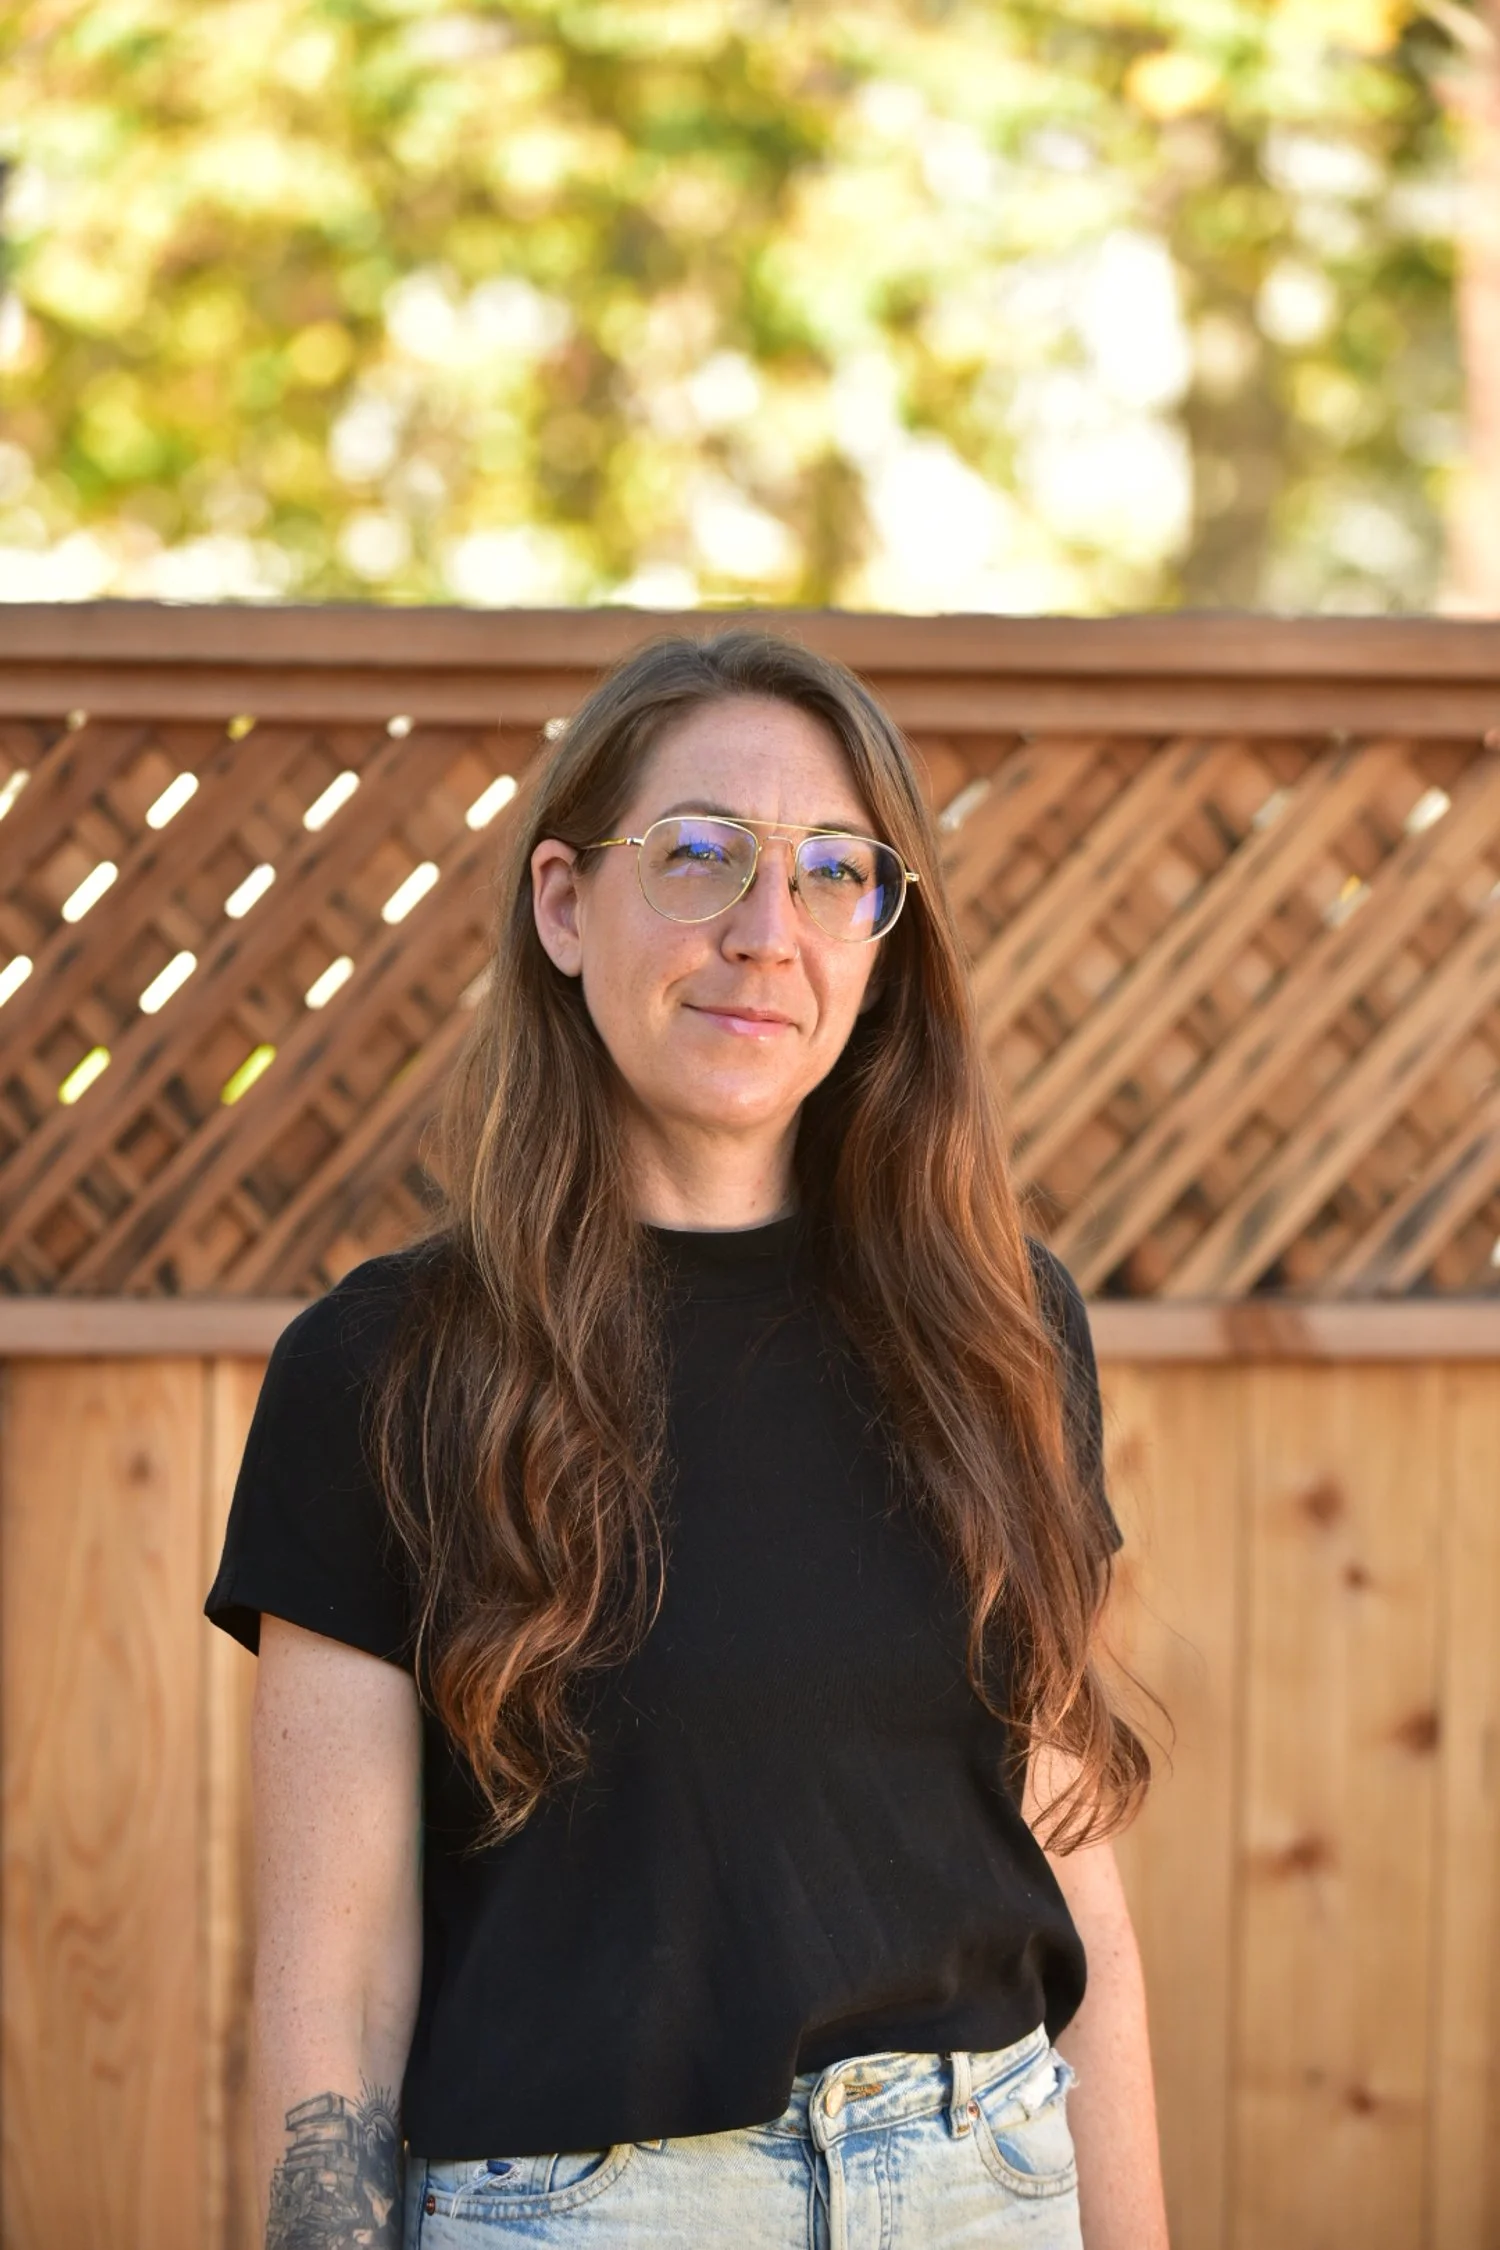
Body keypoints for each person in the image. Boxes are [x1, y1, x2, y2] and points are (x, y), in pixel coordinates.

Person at [206, 628, 1170, 2250]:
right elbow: (332, 1992)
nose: (764, 934)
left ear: (883, 938)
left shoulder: (1004, 1329)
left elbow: (1079, 1894)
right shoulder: (384, 1369)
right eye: (702, 856)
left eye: (835, 873)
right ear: (566, 904)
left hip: (989, 2184)